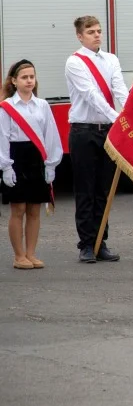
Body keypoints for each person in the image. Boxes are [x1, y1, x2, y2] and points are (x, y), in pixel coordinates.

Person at [65, 15, 129, 263]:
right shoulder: (74, 62)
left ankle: (101, 241)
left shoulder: (111, 59)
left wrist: (126, 115)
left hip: (108, 131)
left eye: (99, 31)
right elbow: (90, 95)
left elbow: (119, 88)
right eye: (91, 32)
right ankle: (86, 244)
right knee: (85, 189)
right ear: (80, 36)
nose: (97, 35)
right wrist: (117, 117)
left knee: (104, 189)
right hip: (83, 130)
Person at [1, 60, 62, 269]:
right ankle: (19, 256)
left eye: (32, 77)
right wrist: (6, 166)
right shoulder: (7, 107)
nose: (29, 81)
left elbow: (51, 135)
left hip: (37, 158)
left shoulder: (42, 105)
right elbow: (2, 138)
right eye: (24, 77)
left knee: (34, 209)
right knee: (18, 208)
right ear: (14, 81)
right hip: (16, 157)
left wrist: (51, 164)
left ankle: (31, 253)